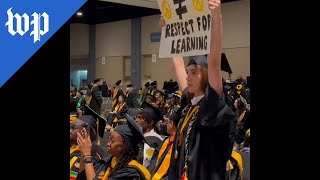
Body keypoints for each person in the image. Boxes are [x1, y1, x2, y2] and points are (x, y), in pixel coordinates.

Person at [160, 1, 237, 179]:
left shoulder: (212, 103)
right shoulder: (189, 103)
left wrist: (217, 18)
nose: (188, 77)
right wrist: (168, 30)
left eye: (194, 73)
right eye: (188, 73)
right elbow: (177, 63)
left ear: (205, 74)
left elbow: (214, 60)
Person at [76, 114, 151, 180]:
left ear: (125, 145)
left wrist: (87, 155)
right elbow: (84, 176)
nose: (108, 143)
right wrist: (83, 153)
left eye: (112, 141)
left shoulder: (131, 172)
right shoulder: (109, 162)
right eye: (109, 139)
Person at [70, 115, 105, 180]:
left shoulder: (95, 155)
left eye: (73, 128)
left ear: (85, 131)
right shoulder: (72, 147)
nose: (70, 131)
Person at [135, 103, 164, 169]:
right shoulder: (142, 136)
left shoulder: (154, 140)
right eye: (137, 117)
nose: (136, 120)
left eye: (140, 118)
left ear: (150, 123)